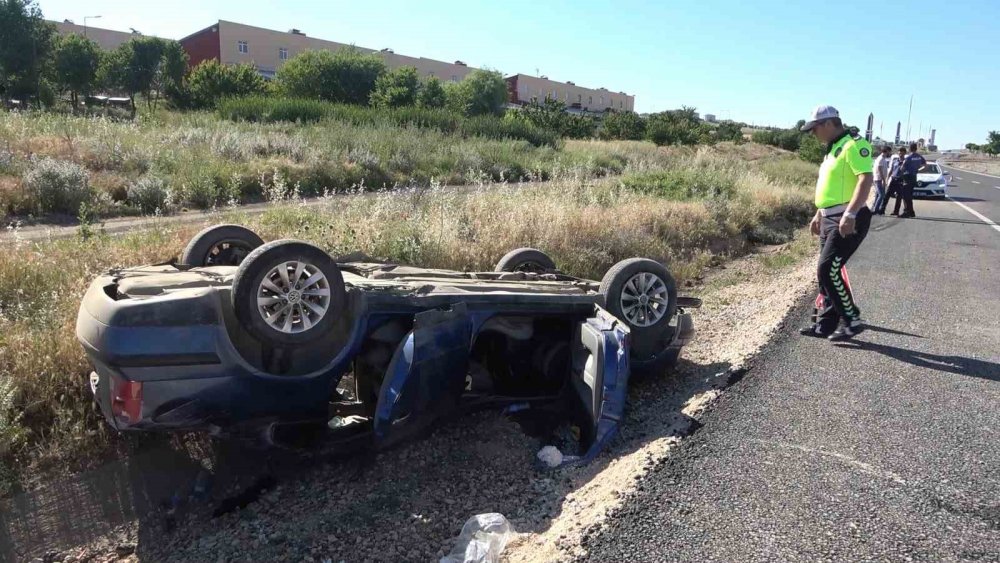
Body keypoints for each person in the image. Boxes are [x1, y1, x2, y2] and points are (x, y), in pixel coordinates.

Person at [797, 105, 873, 341]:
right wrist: (819, 213)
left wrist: (850, 215)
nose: (813, 134)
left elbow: (865, 179)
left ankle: (852, 319)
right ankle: (826, 325)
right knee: (825, 273)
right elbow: (834, 187)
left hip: (848, 218)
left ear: (829, 124)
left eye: (815, 128)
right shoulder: (833, 150)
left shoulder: (854, 144)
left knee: (827, 269)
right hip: (830, 217)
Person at [895, 142, 926, 218]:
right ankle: (911, 212)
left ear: (910, 149)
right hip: (914, 177)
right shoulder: (919, 157)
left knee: (906, 196)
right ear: (916, 148)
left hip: (907, 177)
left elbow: (902, 168)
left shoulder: (908, 157)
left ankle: (907, 212)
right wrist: (917, 169)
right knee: (909, 195)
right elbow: (925, 165)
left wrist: (901, 173)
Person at [882, 147, 906, 215]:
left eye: (901, 152)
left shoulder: (905, 162)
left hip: (900, 180)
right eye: (899, 152)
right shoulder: (895, 161)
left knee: (899, 197)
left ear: (904, 153)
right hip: (893, 179)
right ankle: (882, 209)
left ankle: (896, 211)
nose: (900, 153)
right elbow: (891, 170)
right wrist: (887, 179)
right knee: (887, 195)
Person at [872, 146, 892, 214]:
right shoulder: (880, 159)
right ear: (886, 151)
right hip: (879, 179)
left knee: (878, 194)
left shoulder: (882, 158)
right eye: (889, 151)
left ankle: (874, 208)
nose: (889, 153)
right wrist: (883, 180)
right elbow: (879, 169)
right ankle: (876, 210)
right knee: (881, 195)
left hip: (879, 179)